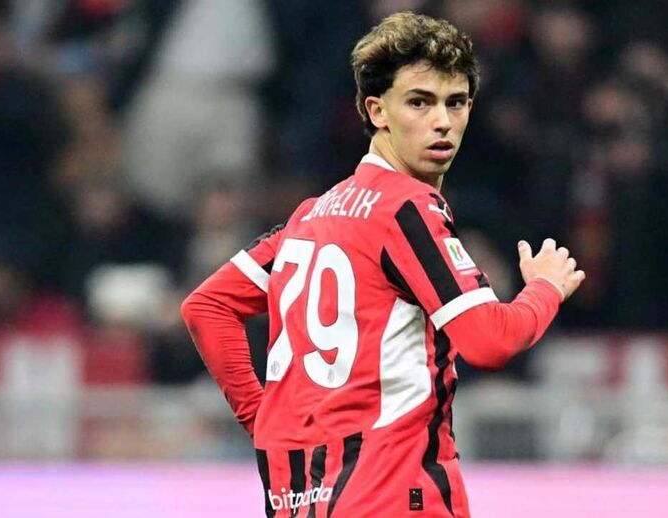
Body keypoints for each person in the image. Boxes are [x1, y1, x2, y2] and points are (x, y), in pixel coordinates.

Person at [181, 12, 584, 517]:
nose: (442, 121)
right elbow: (490, 340)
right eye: (419, 102)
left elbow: (206, 306)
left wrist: (263, 422)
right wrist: (545, 288)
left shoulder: (311, 216)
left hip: (300, 500)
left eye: (456, 102)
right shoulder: (406, 208)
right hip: (396, 496)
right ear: (377, 111)